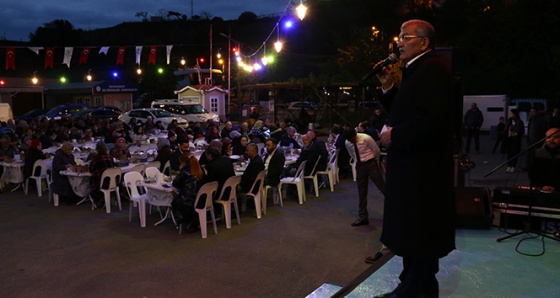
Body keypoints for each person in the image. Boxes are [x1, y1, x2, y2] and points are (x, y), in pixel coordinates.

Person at [378, 19, 456, 298]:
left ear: (423, 42)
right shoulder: (418, 69)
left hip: (421, 173)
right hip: (415, 170)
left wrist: (394, 135)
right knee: (414, 234)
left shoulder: (432, 70)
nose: (398, 41)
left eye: (405, 36)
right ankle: (413, 286)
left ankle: (412, 289)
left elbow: (431, 121)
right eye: (398, 36)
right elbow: (406, 108)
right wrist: (387, 88)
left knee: (419, 233)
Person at [343, 127, 385, 227]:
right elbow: (352, 154)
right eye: (349, 140)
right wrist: (358, 164)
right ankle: (363, 217)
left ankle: (394, 212)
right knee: (361, 192)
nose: (351, 141)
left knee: (382, 187)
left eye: (352, 139)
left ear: (355, 134)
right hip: (360, 166)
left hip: (371, 164)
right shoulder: (347, 142)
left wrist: (374, 162)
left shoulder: (366, 138)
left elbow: (377, 151)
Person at [171, 152, 205, 233]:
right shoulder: (200, 170)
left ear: (183, 163)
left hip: (188, 201)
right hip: (202, 199)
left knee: (174, 200)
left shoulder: (185, 172)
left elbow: (175, 184)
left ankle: (181, 220)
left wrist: (180, 170)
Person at [528, 127, 560, 191]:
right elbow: (533, 173)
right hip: (542, 190)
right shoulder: (537, 153)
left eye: (555, 137)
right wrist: (541, 186)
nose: (551, 139)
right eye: (548, 137)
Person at [89, 143, 117, 207]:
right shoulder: (110, 157)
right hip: (112, 182)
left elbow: (91, 170)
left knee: (91, 180)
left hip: (100, 182)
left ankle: (99, 200)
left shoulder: (95, 159)